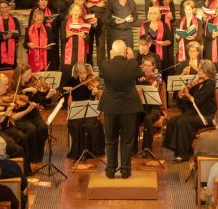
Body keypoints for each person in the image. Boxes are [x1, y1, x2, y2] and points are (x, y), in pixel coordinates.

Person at [98, 40, 144, 179]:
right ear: (125, 52)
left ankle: (110, 170)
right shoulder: (132, 64)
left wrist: (113, 56)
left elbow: (104, 74)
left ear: (112, 51)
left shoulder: (105, 65)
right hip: (129, 107)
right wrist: (129, 58)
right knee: (127, 140)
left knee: (110, 140)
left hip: (110, 107)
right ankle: (125, 171)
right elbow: (139, 73)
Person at [164, 60, 217, 163]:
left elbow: (198, 101)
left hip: (207, 115)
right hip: (196, 112)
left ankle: (183, 155)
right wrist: (181, 96)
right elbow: (188, 101)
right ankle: (183, 149)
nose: (198, 71)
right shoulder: (198, 83)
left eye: (200, 69)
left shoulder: (210, 84)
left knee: (182, 122)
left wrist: (188, 95)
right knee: (172, 121)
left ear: (206, 71)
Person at [64, 62, 105, 160]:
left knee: (93, 124)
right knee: (75, 125)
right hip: (76, 111)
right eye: (80, 74)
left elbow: (93, 100)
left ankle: (93, 151)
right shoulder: (72, 80)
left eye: (84, 73)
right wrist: (67, 89)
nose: (83, 76)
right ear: (77, 73)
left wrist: (94, 93)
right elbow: (62, 89)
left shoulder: (90, 82)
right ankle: (78, 152)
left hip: (88, 111)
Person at [135, 56, 165, 157]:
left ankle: (146, 150)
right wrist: (139, 80)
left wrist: (153, 80)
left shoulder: (157, 77)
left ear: (153, 66)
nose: (146, 68)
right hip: (141, 108)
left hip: (154, 109)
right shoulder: (139, 77)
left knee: (148, 118)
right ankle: (132, 150)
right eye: (144, 65)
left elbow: (159, 82)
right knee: (132, 118)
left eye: (149, 66)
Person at [81, 0, 110, 64]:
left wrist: (104, 5)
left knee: (101, 45)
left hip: (101, 18)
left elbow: (111, 2)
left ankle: (102, 69)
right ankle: (89, 68)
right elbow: (80, 3)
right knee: (88, 43)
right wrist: (85, 5)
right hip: (88, 18)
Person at [140, 7, 174, 72]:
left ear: (158, 14)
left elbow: (169, 41)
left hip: (161, 55)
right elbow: (141, 40)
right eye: (151, 13)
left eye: (154, 13)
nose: (152, 15)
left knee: (160, 75)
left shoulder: (164, 25)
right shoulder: (144, 25)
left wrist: (160, 43)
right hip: (147, 54)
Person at [24, 6, 53, 72]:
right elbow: (24, 44)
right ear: (34, 18)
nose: (39, 21)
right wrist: (29, 44)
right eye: (38, 19)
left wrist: (48, 47)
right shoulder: (29, 29)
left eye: (41, 19)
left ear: (43, 19)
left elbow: (51, 44)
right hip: (33, 57)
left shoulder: (47, 29)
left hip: (45, 57)